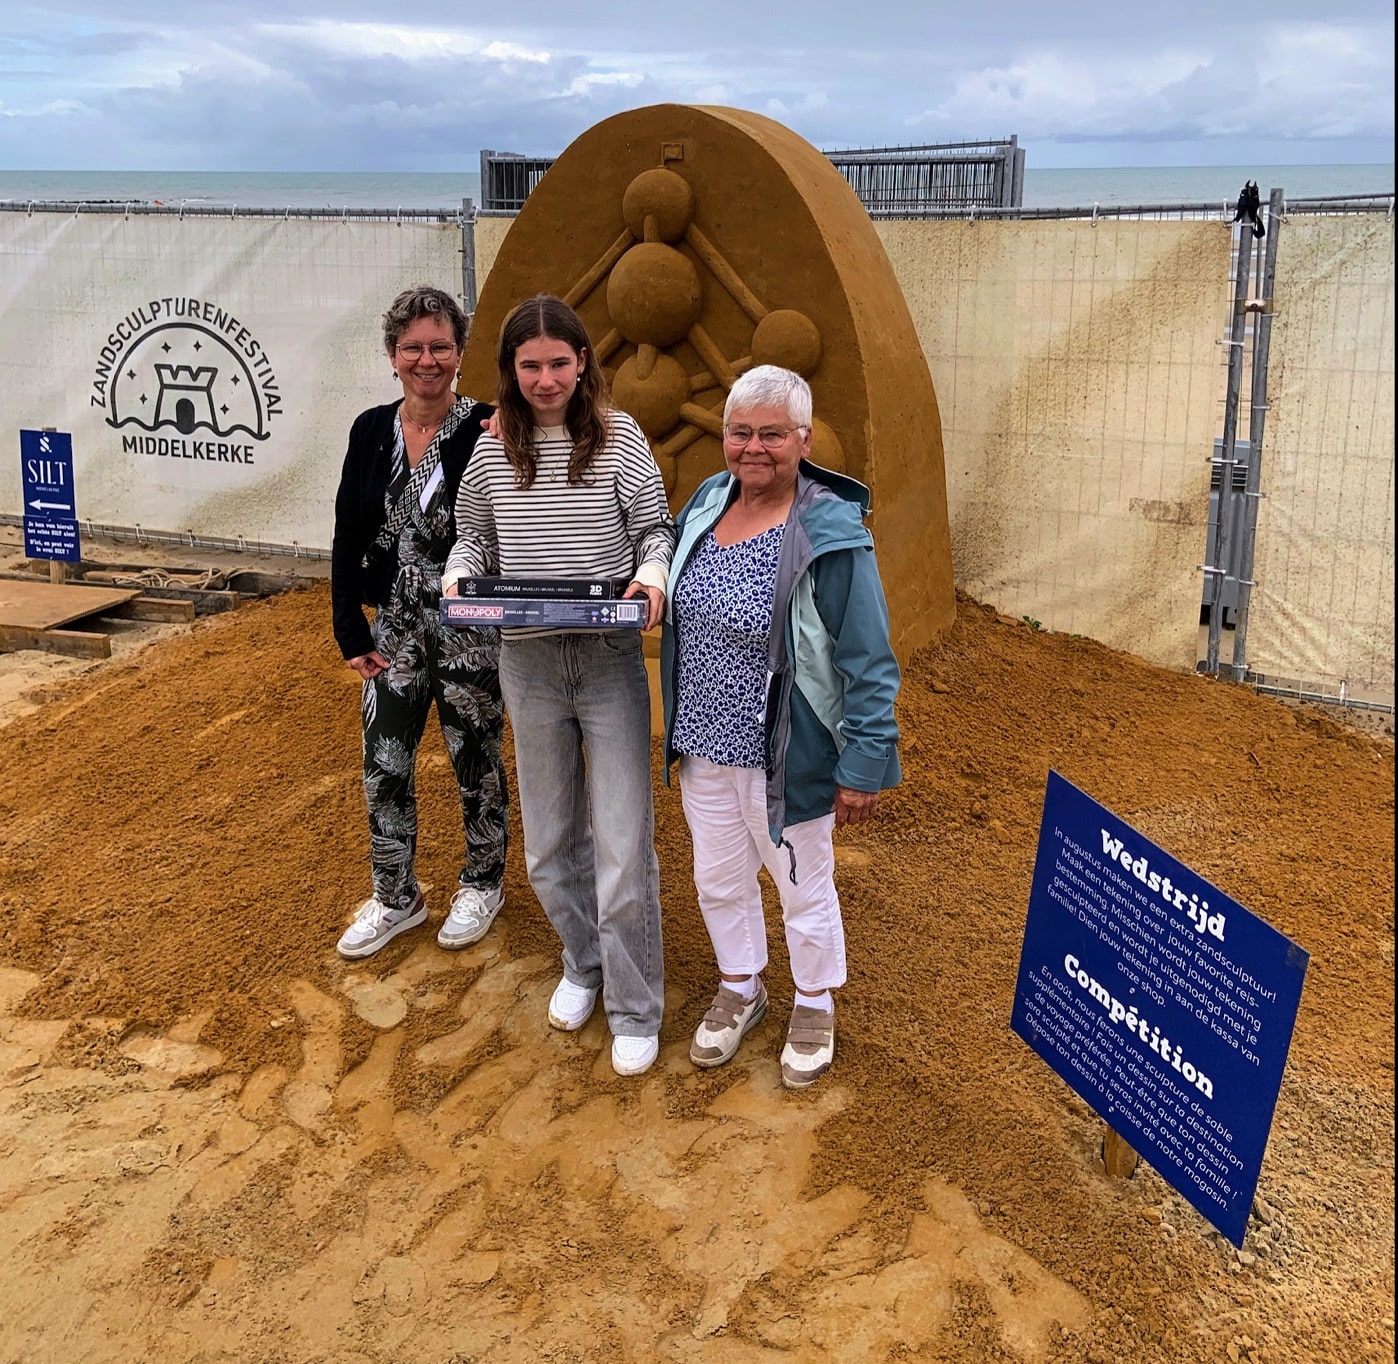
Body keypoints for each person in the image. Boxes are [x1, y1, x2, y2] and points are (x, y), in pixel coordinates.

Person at [441, 294, 675, 1078]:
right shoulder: (491, 448)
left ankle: (636, 1007)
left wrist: (649, 578)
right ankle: (585, 964)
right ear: (510, 370)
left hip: (607, 661)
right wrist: (460, 572)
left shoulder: (617, 436)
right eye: (530, 365)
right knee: (546, 847)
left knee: (621, 844)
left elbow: (654, 527)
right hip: (529, 663)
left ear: (583, 363)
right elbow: (472, 530)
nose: (546, 379)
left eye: (559, 363)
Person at [660, 365, 901, 1088]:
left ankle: (814, 1001)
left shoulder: (827, 530)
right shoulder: (706, 502)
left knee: (802, 883)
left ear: (802, 438)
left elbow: (870, 658)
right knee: (718, 879)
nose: (753, 448)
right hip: (704, 745)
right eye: (740, 432)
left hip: (785, 752)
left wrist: (863, 762)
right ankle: (741, 987)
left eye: (772, 433)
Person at [330, 286, 508, 959]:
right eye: (413, 347)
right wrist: (350, 629)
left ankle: (483, 881)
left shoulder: (489, 425)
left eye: (440, 346)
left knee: (477, 759)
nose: (426, 360)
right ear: (392, 356)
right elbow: (348, 532)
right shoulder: (370, 429)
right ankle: (395, 894)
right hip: (394, 629)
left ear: (460, 354)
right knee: (385, 763)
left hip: (472, 626)